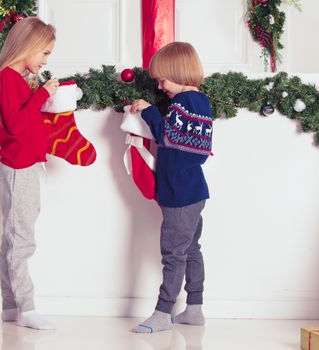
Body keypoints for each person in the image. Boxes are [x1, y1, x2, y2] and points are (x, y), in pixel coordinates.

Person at [0, 17, 59, 330]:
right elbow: (16, 124)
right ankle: (27, 307)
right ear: (28, 47)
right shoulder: (8, 79)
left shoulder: (16, 79)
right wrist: (41, 95)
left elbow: (24, 123)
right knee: (20, 240)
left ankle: (11, 306)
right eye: (44, 53)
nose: (46, 60)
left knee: (14, 238)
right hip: (18, 169)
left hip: (26, 166)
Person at [130, 42, 213, 333]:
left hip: (181, 194)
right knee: (190, 249)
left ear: (178, 72)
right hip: (190, 192)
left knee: (174, 253)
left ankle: (163, 312)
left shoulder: (184, 104)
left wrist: (149, 112)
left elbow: (168, 137)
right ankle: (194, 308)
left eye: (162, 78)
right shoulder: (198, 103)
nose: (160, 85)